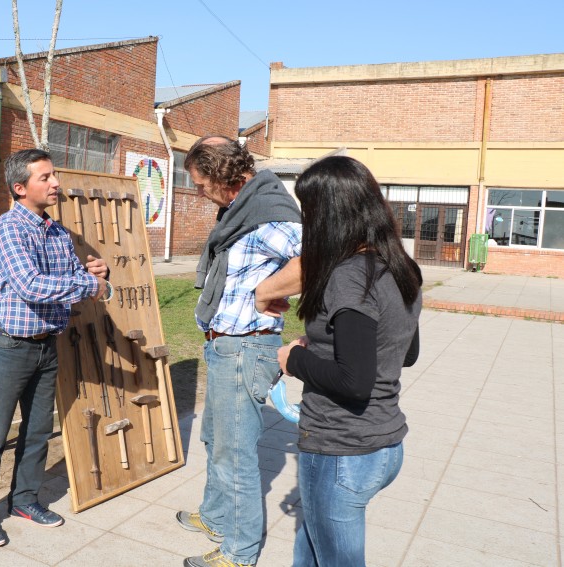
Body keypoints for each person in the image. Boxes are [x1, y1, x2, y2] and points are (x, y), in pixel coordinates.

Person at [273, 156, 421, 566]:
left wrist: (294, 359)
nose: (307, 223)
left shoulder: (349, 275)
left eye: (309, 211)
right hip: (384, 445)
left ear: (330, 215)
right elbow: (406, 352)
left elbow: (354, 380)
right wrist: (325, 343)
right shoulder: (399, 265)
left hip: (343, 451)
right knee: (310, 547)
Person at [0, 148, 109, 548]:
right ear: (20, 188)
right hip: (9, 344)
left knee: (38, 429)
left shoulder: (57, 233)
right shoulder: (10, 229)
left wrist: (94, 275)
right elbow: (30, 285)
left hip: (46, 344)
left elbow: (74, 277)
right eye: (45, 177)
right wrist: (90, 286)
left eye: (54, 174)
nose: (56, 182)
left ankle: (24, 500)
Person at [177, 135, 303, 567]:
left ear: (219, 175)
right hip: (225, 347)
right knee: (217, 440)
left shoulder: (270, 212)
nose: (197, 192)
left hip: (246, 348)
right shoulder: (242, 208)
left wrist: (269, 291)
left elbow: (320, 258)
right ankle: (216, 517)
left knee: (237, 456)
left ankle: (240, 551)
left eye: (199, 184)